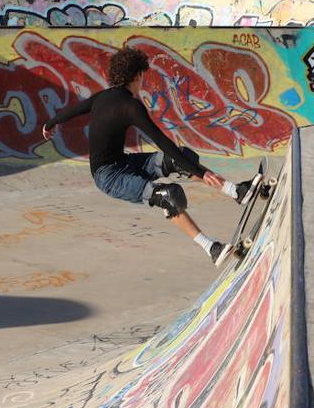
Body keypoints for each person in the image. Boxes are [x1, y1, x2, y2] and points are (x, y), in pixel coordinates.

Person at [41, 46, 262, 266]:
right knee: (167, 195)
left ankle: (236, 192)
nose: (142, 83)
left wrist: (51, 123)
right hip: (108, 177)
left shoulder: (103, 97)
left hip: (123, 162)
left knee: (178, 159)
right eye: (142, 77)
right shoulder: (130, 106)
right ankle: (211, 248)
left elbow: (75, 110)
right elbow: (162, 141)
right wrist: (201, 173)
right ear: (137, 76)